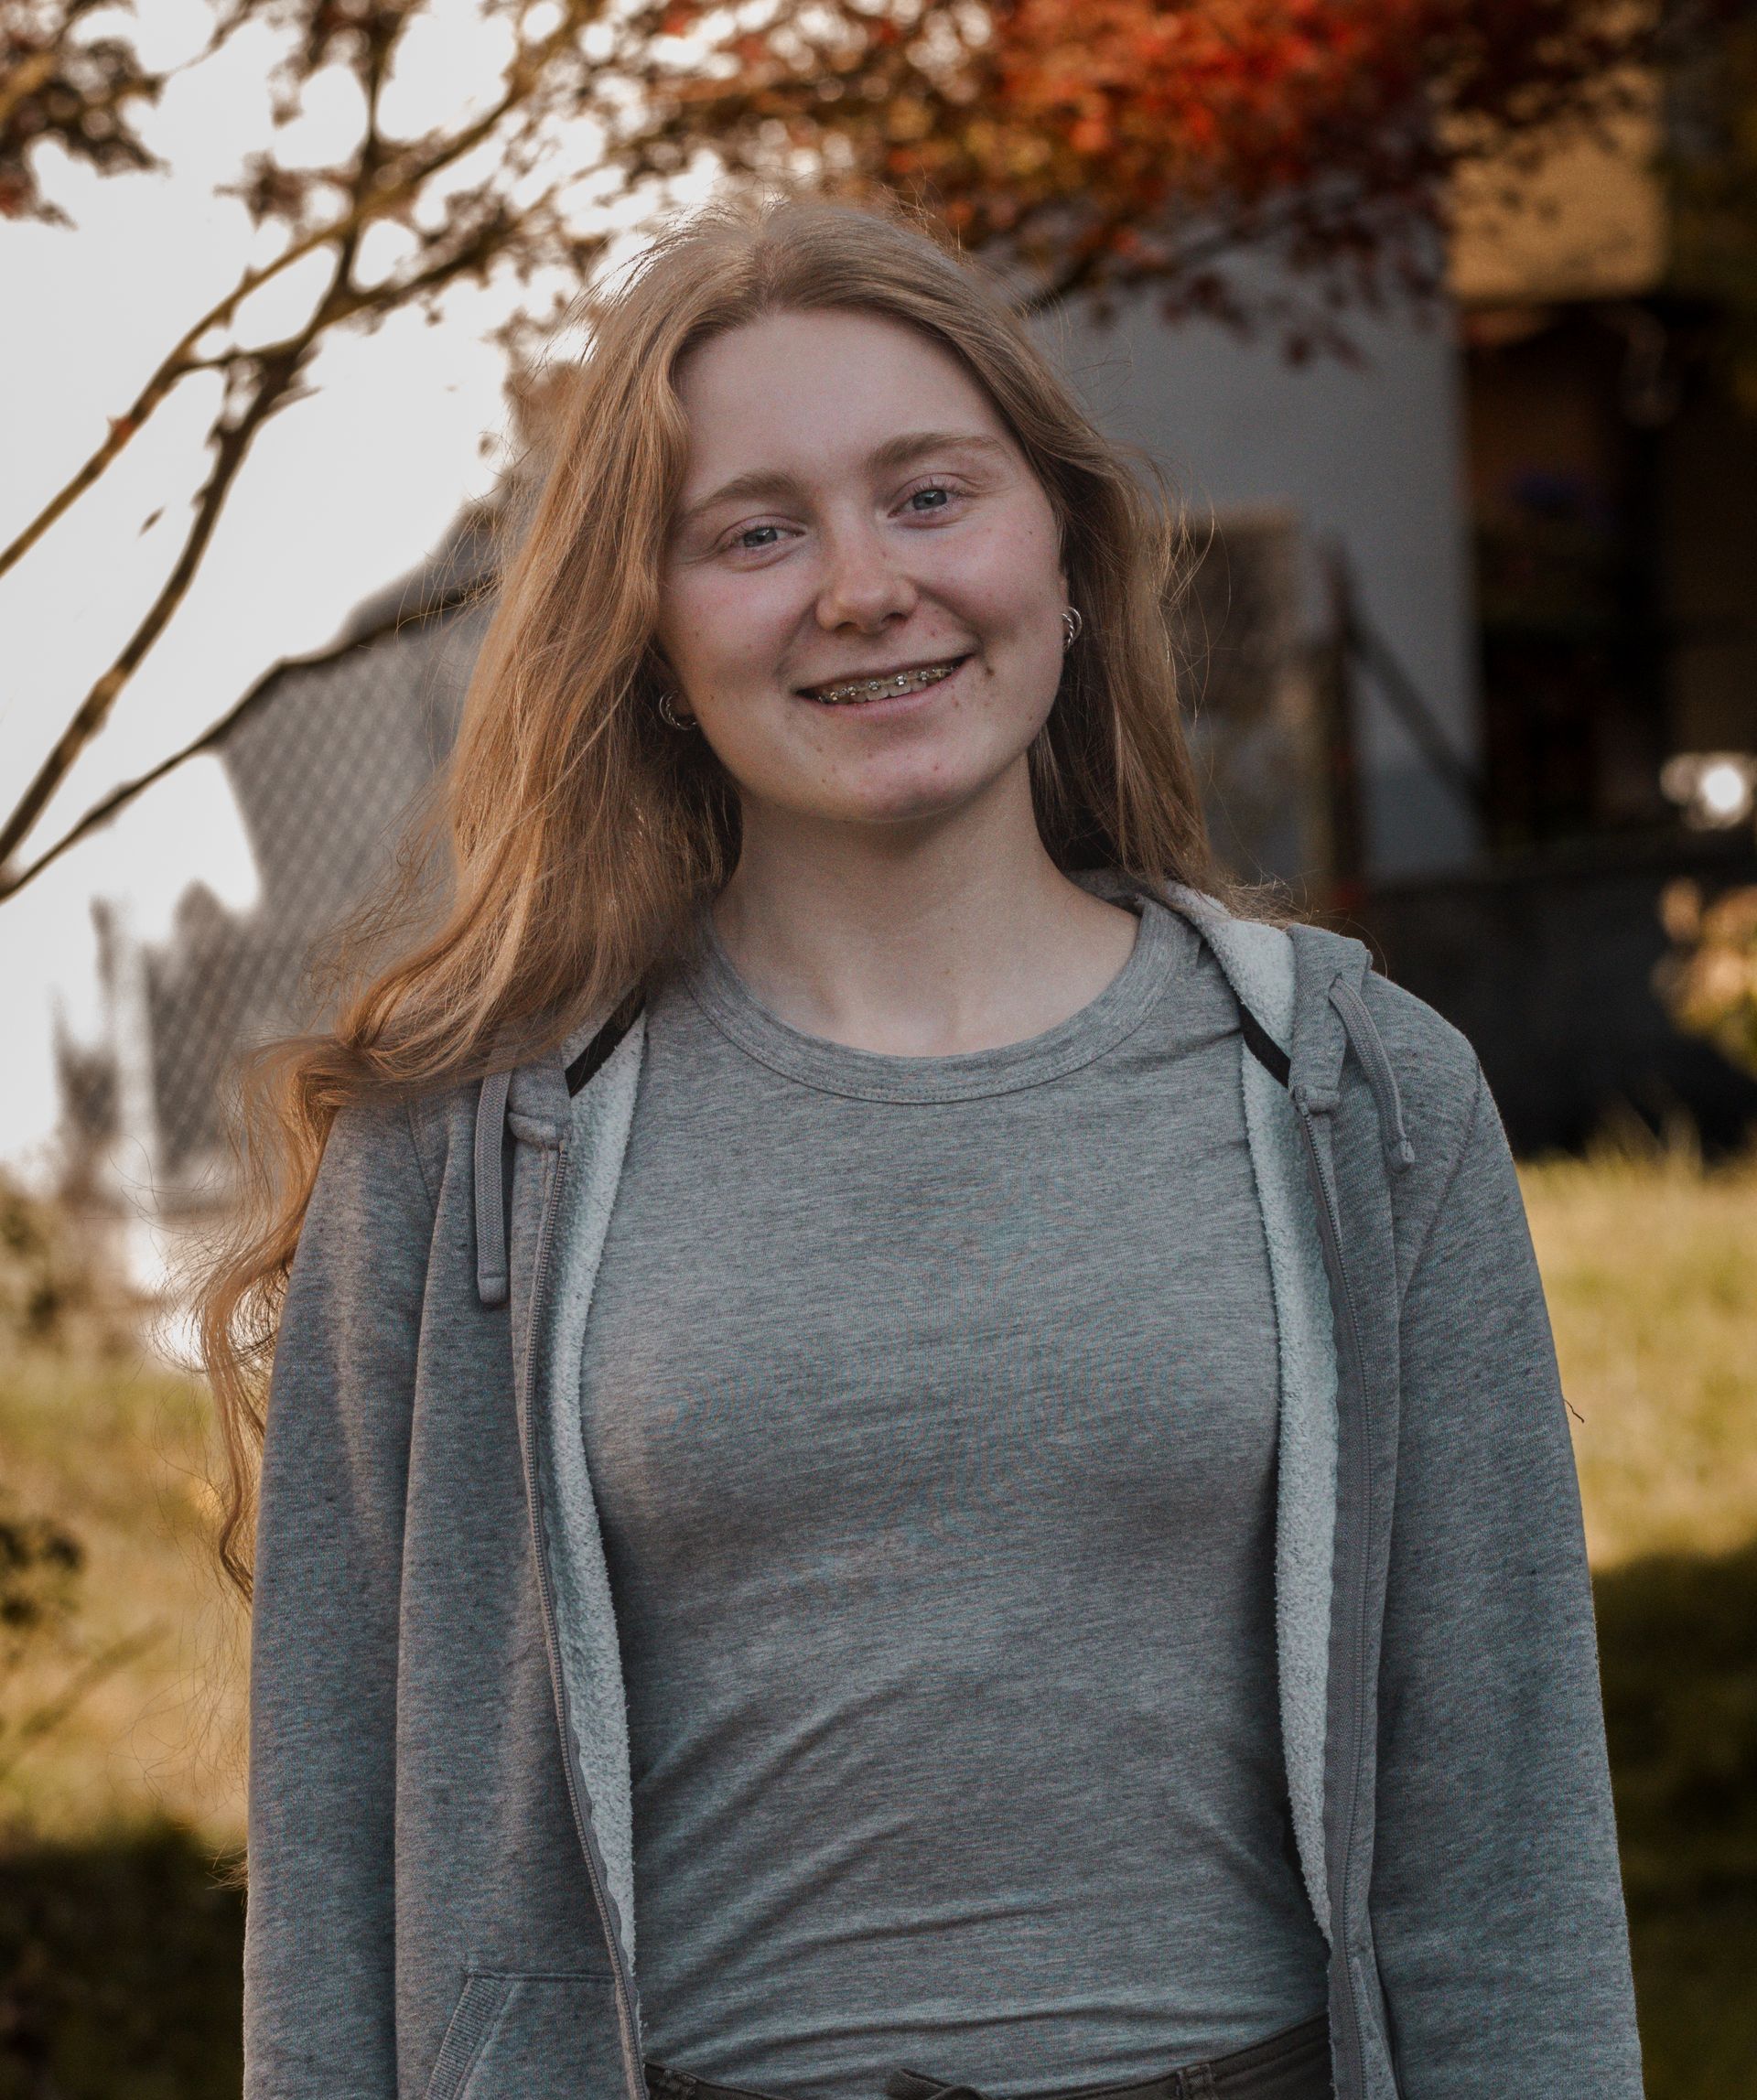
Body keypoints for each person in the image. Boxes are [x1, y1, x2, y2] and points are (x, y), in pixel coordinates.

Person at [203, 197, 1643, 2100]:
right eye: (755, 529)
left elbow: (1507, 1830)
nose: (861, 585)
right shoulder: (462, 1153)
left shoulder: (1359, 1094)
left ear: (1064, 549)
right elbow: (337, 1875)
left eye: (931, 494)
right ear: (647, 627)